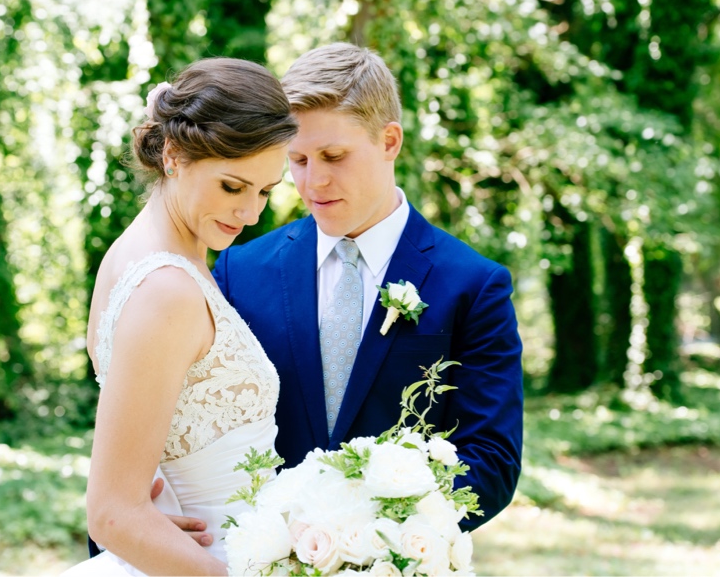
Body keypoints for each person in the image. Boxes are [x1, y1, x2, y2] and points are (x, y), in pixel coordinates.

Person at [212, 43, 524, 537]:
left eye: (334, 156)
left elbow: (491, 460)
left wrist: (370, 541)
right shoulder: (239, 271)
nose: (314, 181)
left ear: (390, 141)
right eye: (298, 160)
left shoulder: (473, 285)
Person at [69, 58, 300, 575]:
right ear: (173, 154)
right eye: (232, 187)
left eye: (265, 190)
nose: (251, 213)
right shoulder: (165, 289)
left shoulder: (149, 256)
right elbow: (111, 513)